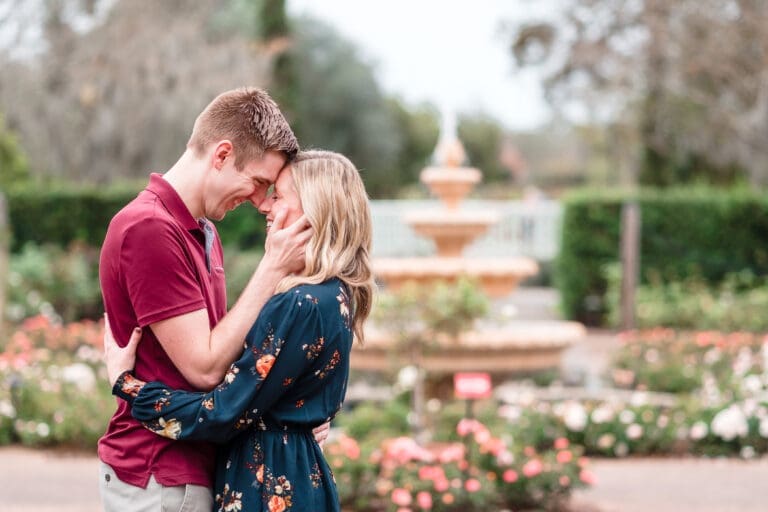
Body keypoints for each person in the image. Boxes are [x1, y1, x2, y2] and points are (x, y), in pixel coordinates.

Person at [104, 150, 375, 512]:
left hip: (268, 488)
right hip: (295, 475)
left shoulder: (299, 303)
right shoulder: (333, 295)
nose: (264, 205)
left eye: (277, 195)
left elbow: (221, 413)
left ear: (314, 213)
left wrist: (127, 383)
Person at [98, 87, 317, 512]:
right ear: (221, 155)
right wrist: (272, 268)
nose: (259, 201)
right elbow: (203, 367)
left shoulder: (202, 231)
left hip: (189, 467)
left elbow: (226, 351)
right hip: (160, 475)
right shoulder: (149, 229)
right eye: (257, 182)